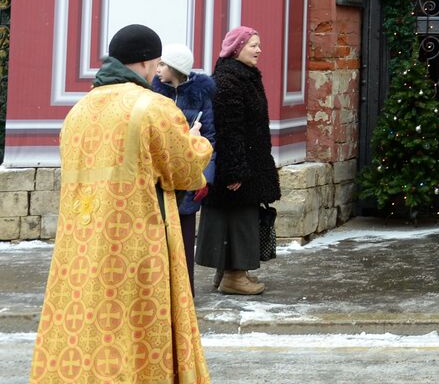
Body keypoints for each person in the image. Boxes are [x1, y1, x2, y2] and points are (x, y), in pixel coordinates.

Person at [31, 24, 214, 384]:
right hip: (136, 242)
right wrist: (196, 141)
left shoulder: (77, 112)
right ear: (148, 63)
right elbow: (186, 171)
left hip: (80, 247)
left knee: (87, 323)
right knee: (134, 327)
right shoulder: (153, 107)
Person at [197, 26, 281, 295]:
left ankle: (227, 272)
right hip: (236, 166)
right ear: (236, 49)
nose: (259, 50)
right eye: (252, 45)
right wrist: (234, 171)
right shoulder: (228, 81)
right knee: (239, 217)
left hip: (245, 162)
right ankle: (235, 276)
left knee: (234, 216)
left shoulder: (243, 77)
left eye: (259, 44)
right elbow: (228, 129)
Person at [152, 41, 217, 294]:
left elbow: (210, 138)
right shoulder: (155, 95)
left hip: (188, 177)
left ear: (176, 68)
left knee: (185, 238)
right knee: (160, 240)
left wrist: (204, 177)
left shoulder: (201, 96)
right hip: (161, 176)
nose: (157, 69)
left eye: (163, 64)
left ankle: (184, 294)